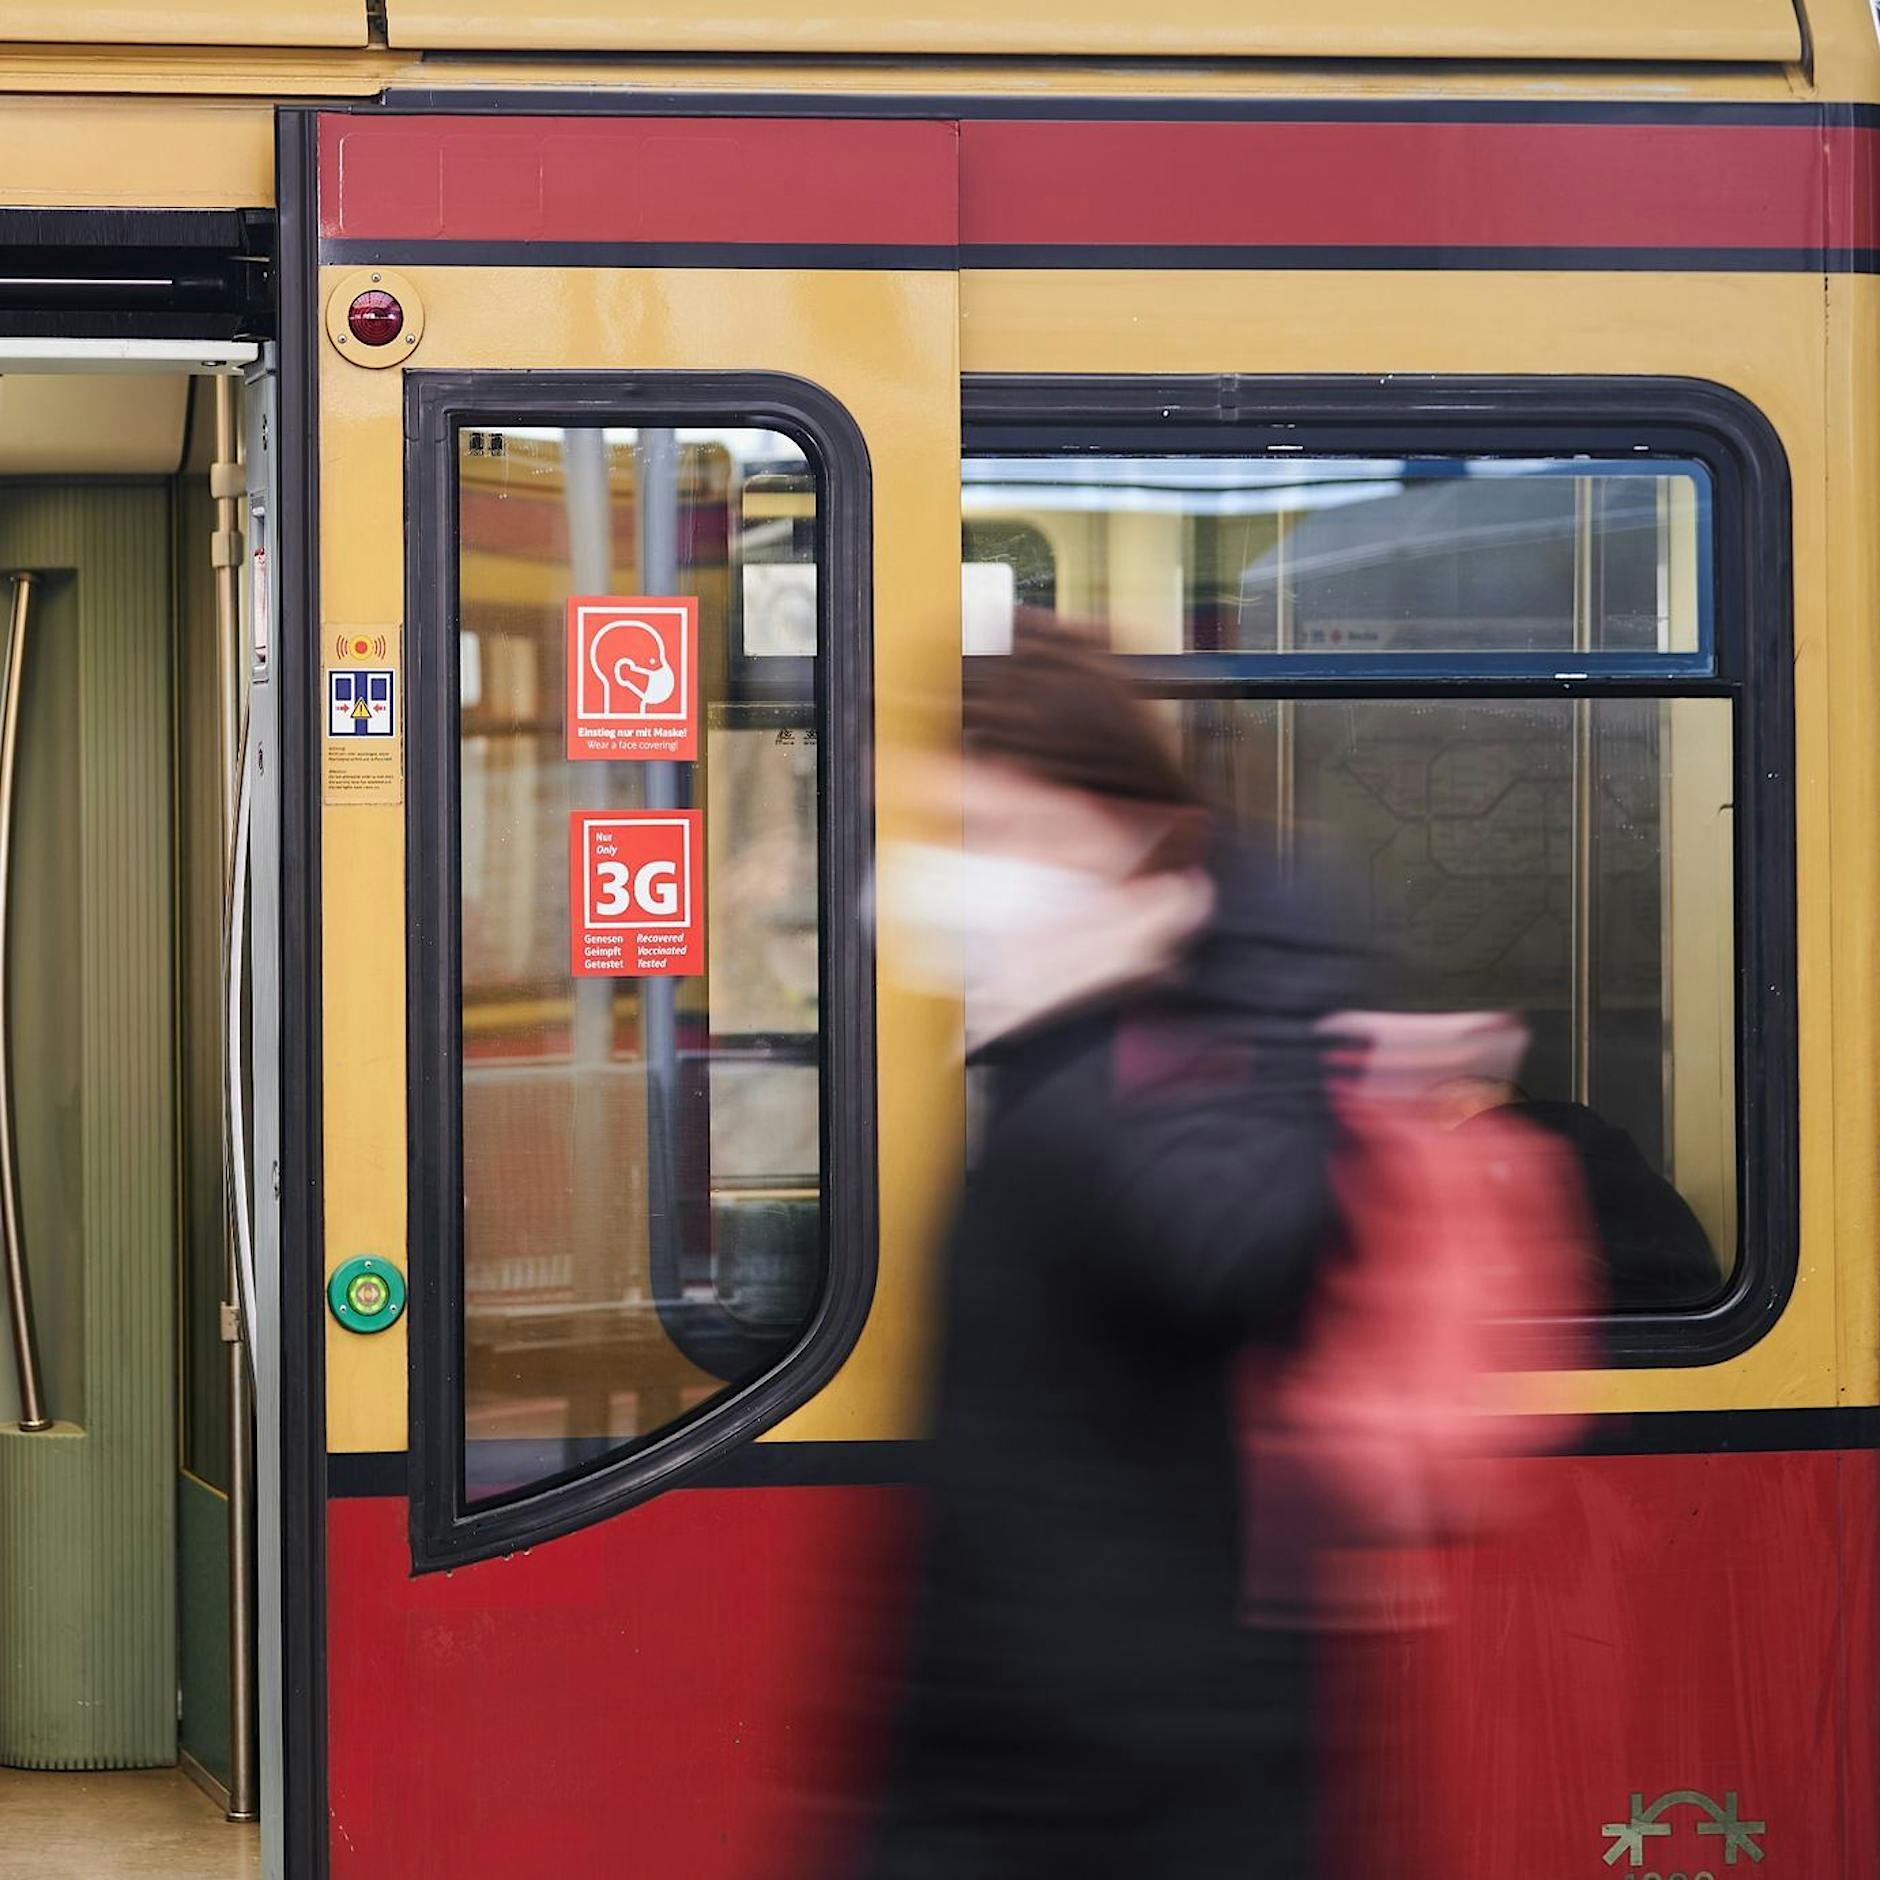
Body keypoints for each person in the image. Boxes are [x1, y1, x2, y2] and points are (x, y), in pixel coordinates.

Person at [863, 618, 1363, 1880]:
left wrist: (1126, 979)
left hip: (1149, 1783)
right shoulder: (1055, 1063)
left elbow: (1226, 1246)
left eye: (996, 832)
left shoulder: (1169, 1074)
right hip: (1015, 1759)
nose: (952, 876)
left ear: (1123, 837)